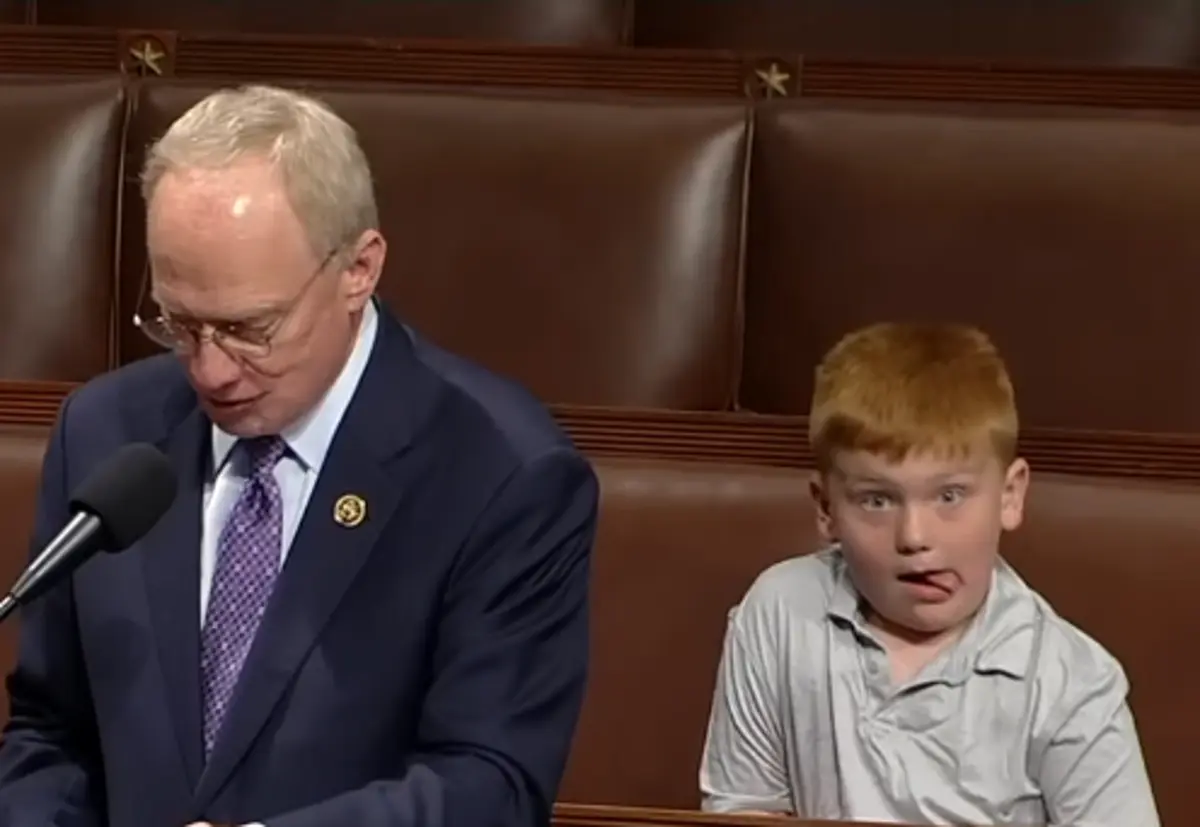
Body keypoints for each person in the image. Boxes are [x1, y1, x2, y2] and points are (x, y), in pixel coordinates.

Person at [0, 84, 599, 827]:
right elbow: (50, 732)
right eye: (179, 323)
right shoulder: (104, 431)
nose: (211, 370)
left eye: (250, 327)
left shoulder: (501, 474)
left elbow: (490, 783)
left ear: (359, 269)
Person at [698, 322, 1160, 825]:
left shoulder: (1075, 684)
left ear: (1010, 496)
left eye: (950, 496)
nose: (915, 536)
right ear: (826, 508)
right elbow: (744, 811)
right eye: (876, 500)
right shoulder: (779, 612)